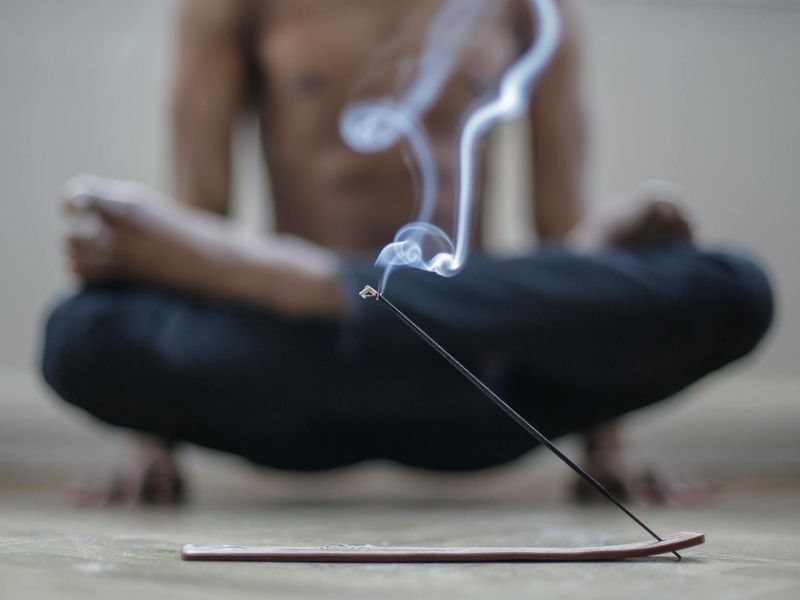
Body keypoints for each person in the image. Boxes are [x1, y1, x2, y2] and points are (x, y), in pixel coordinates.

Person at [41, 0, 772, 505]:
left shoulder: (527, 9)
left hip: (476, 378)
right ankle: (320, 291)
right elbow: (200, 219)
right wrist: (153, 438)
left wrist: (604, 444)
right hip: (289, 375)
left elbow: (559, 243)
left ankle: (314, 282)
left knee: (732, 288)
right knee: (79, 334)